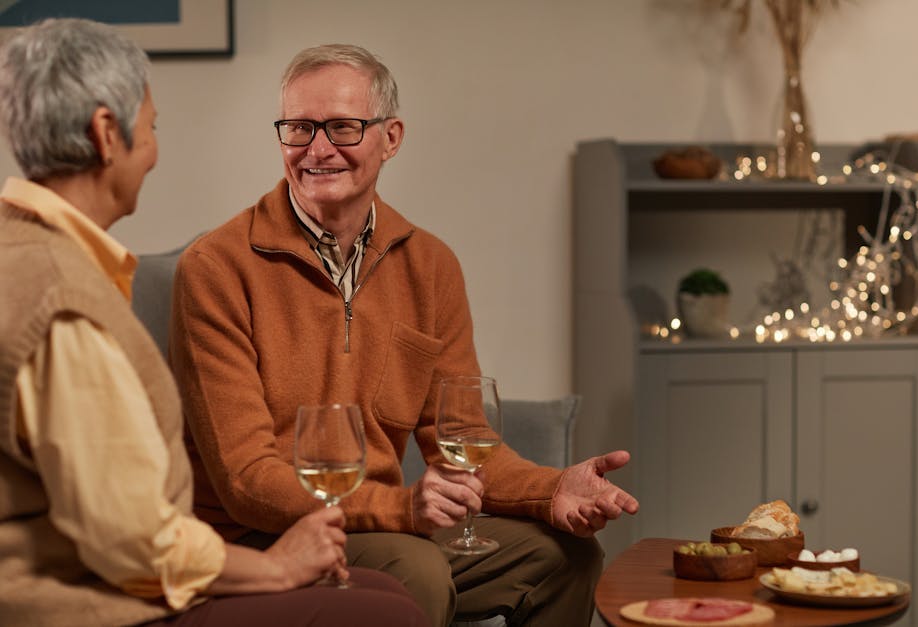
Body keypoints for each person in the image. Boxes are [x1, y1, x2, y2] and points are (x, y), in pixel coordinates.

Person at [169, 43, 639, 627]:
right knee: (415, 566)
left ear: (390, 138)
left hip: (385, 524)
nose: (318, 149)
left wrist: (551, 490)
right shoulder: (215, 267)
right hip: (261, 540)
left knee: (564, 555)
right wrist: (400, 508)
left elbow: (461, 440)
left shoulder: (431, 266)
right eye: (298, 129)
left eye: (342, 127)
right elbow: (246, 480)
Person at [0, 19, 430, 627]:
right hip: (83, 601)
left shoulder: (20, 253)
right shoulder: (60, 300)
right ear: (106, 135)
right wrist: (276, 568)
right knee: (388, 614)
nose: (153, 151)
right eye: (150, 128)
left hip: (105, 574)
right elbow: (131, 538)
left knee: (386, 596)